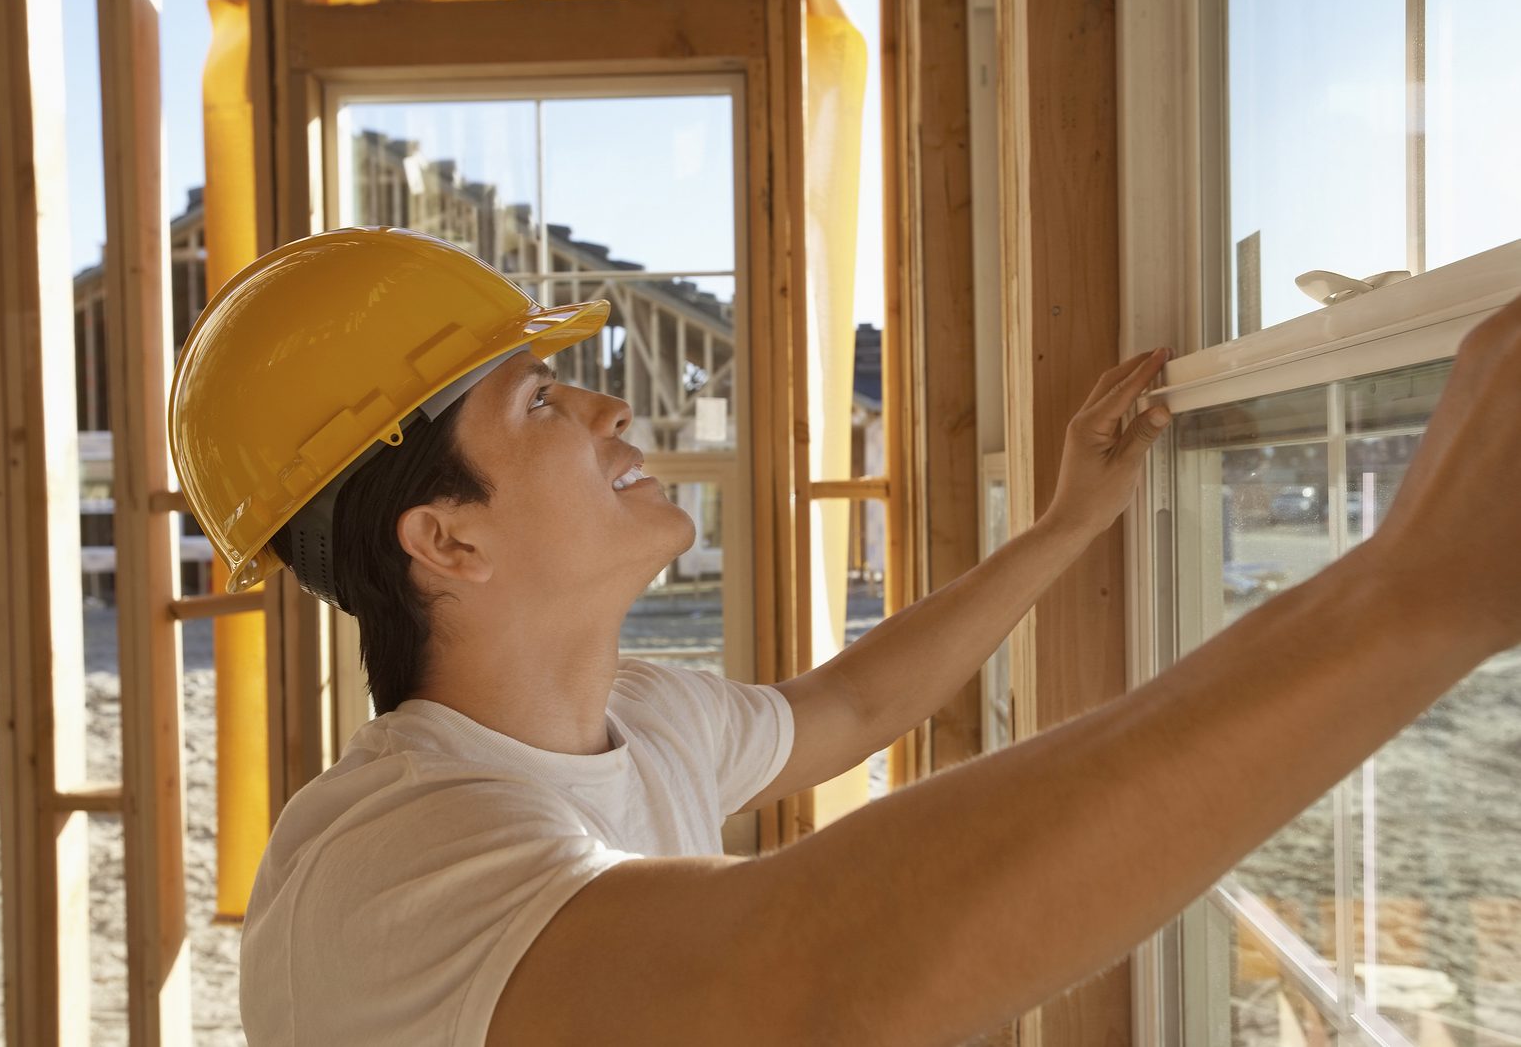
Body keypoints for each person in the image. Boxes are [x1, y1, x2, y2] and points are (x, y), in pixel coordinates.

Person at [170, 226, 1521, 1046]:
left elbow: (855, 707)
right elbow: (807, 989)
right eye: (536, 404)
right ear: (445, 541)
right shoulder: (384, 864)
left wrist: (1060, 528)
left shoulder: (645, 719)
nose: (603, 412)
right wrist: (1405, 597)